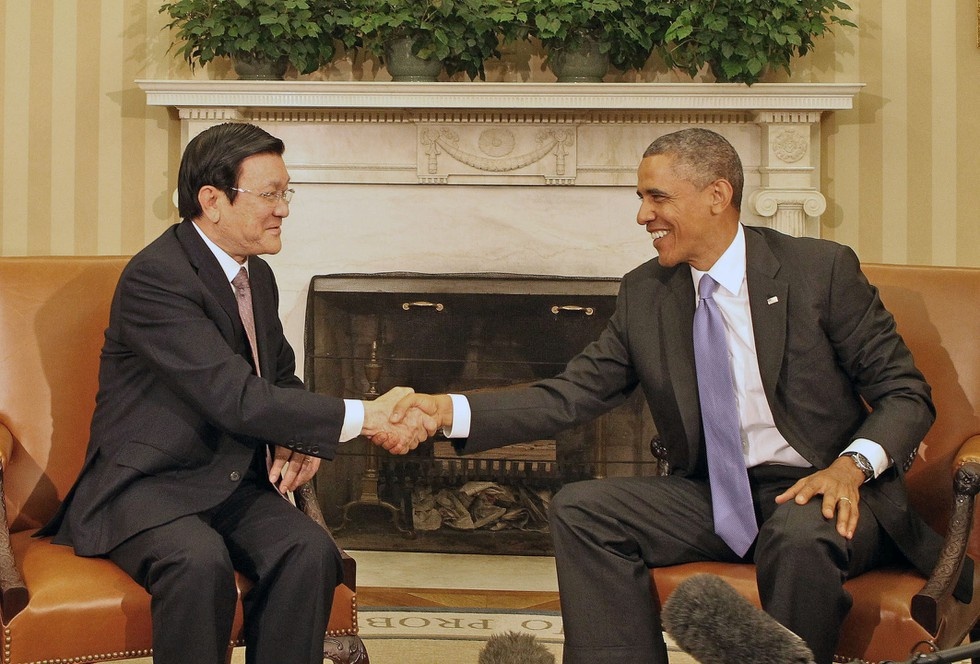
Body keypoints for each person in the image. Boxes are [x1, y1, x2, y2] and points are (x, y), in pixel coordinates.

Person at [389, 127, 973, 664]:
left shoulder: (818, 271)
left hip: (824, 490)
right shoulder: (647, 292)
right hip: (717, 497)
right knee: (582, 509)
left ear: (717, 195)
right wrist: (446, 410)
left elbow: (905, 393)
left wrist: (850, 468)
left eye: (658, 197)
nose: (643, 215)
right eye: (641, 198)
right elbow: (572, 392)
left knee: (798, 534)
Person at [36, 122, 433, 664]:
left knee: (310, 551)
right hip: (147, 486)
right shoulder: (157, 278)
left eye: (286, 193)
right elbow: (236, 398)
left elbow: (280, 378)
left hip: (229, 483)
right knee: (199, 564)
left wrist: (303, 439)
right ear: (212, 200)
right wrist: (367, 416)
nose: (283, 209)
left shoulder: (256, 277)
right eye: (269, 194)